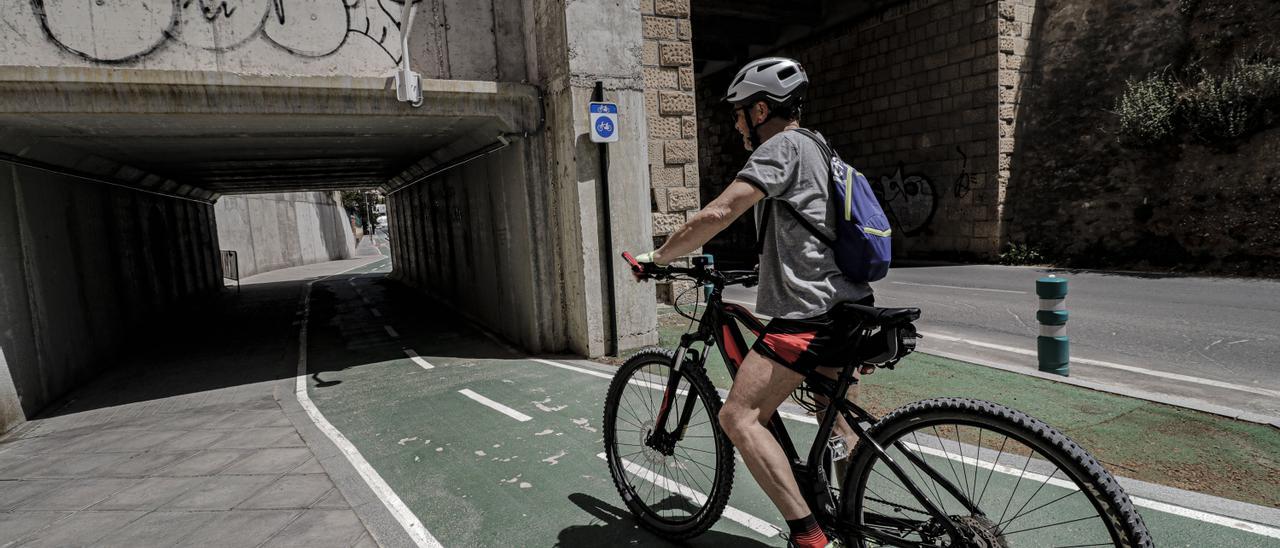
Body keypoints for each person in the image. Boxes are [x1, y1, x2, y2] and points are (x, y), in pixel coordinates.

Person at [629, 57, 874, 548]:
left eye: (740, 113)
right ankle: (851, 521)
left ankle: (809, 536)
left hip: (811, 314)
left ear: (761, 110)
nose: (737, 123)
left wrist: (657, 256)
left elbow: (721, 210)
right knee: (832, 411)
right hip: (850, 306)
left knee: (737, 417)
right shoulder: (820, 146)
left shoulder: (780, 147)